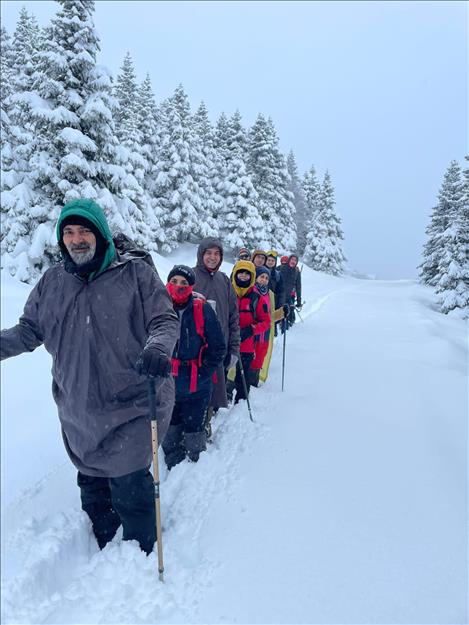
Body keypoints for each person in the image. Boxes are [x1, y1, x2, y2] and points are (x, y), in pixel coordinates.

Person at [0, 198, 179, 555]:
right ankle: (103, 547)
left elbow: (164, 319)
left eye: (84, 231)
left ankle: (142, 556)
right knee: (94, 487)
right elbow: (29, 331)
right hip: (79, 410)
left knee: (130, 485)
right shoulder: (52, 283)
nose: (76, 239)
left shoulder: (135, 274)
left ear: (100, 234)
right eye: (68, 232)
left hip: (133, 405)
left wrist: (158, 348)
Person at [162, 265, 225, 469]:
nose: (178, 286)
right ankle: (172, 459)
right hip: (166, 383)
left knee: (194, 426)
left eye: (184, 283)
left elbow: (217, 346)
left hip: (196, 383)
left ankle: (194, 465)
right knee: (170, 426)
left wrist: (204, 372)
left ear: (191, 286)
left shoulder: (202, 309)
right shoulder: (158, 307)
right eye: (174, 282)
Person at [193, 238, 240, 435]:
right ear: (201, 255)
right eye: (208, 253)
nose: (212, 257)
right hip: (193, 349)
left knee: (213, 388)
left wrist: (234, 349)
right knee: (192, 390)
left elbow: (233, 317)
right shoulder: (190, 276)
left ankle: (206, 422)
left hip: (218, 349)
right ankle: (189, 428)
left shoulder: (224, 281)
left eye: (216, 253)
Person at [230, 261, 270, 403]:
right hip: (227, 343)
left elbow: (266, 321)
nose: (243, 276)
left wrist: (251, 329)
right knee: (221, 375)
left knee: (243, 377)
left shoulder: (256, 298)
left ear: (252, 276)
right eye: (241, 272)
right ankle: (217, 405)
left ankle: (240, 403)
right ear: (235, 273)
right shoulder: (228, 293)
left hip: (246, 345)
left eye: (248, 274)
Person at [250, 266, 272, 387]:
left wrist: (282, 312)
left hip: (264, 335)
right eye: (261, 277)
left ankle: (253, 384)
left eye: (266, 278)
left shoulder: (269, 294)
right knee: (248, 360)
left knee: (259, 359)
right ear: (256, 278)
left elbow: (270, 316)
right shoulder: (251, 292)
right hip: (252, 334)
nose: (264, 280)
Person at [279, 253, 302, 329]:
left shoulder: (297, 272)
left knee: (289, 311)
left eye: (295, 260)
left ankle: (288, 326)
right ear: (289, 260)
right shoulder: (281, 268)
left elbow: (298, 287)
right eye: (292, 259)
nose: (293, 261)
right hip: (279, 295)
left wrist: (299, 301)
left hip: (289, 296)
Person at [265, 250, 285, 335]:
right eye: (268, 260)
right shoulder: (259, 271)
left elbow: (281, 291)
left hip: (273, 303)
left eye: (272, 260)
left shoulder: (278, 275)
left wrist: (280, 305)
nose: (270, 262)